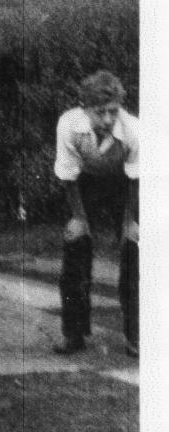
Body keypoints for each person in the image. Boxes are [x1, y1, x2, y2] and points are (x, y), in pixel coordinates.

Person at [53, 70, 139, 357]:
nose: (107, 120)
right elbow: (68, 176)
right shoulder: (69, 124)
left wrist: (129, 223)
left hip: (123, 185)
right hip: (85, 184)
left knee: (134, 249)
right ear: (84, 108)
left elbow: (135, 180)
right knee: (75, 246)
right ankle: (74, 334)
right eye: (99, 112)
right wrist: (79, 218)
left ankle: (137, 336)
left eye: (112, 112)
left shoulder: (132, 130)